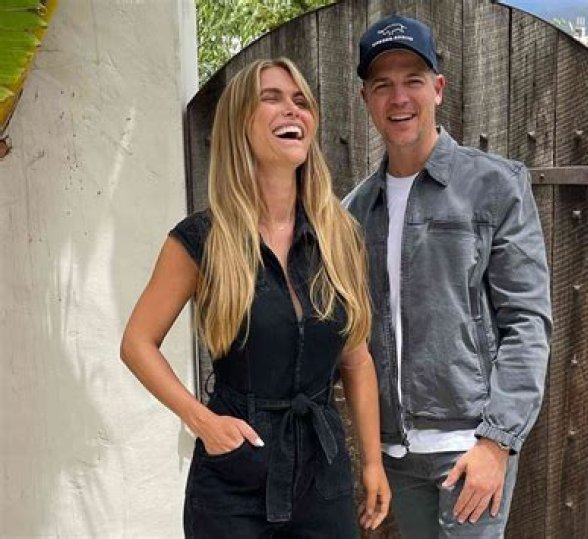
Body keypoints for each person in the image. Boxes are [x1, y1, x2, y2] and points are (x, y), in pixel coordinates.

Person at [120, 57, 390, 538]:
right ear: (240, 123)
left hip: (322, 477)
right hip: (233, 478)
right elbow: (137, 342)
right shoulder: (203, 239)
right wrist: (202, 420)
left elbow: (357, 360)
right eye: (272, 98)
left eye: (301, 101)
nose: (292, 109)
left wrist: (372, 463)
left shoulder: (340, 236)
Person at [344, 15, 552, 538]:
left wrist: (497, 442)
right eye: (382, 85)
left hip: (470, 448)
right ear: (366, 99)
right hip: (395, 453)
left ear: (437, 88)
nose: (399, 98)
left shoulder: (495, 186)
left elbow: (527, 322)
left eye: (412, 80)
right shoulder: (354, 210)